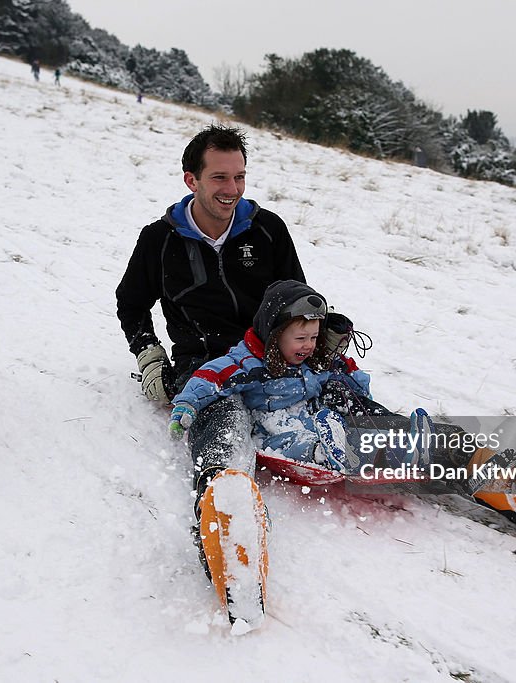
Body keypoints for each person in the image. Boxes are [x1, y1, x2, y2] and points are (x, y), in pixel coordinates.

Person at [115, 124, 306, 508]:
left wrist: (317, 329)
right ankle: (228, 504)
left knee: (337, 401)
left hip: (272, 354)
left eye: (239, 177)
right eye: (219, 177)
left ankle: (450, 452)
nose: (232, 189)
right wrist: (149, 355)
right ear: (192, 180)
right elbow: (131, 303)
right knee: (223, 423)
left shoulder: (267, 229)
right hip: (206, 364)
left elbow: (295, 295)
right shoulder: (159, 240)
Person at [168, 280, 371, 472]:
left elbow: (345, 373)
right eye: (301, 338)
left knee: (339, 406)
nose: (309, 345)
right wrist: (187, 405)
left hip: (310, 416)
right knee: (289, 443)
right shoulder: (249, 362)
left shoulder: (311, 358)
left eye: (314, 337)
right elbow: (211, 376)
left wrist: (361, 394)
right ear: (275, 335)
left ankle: (382, 438)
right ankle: (321, 453)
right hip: (271, 428)